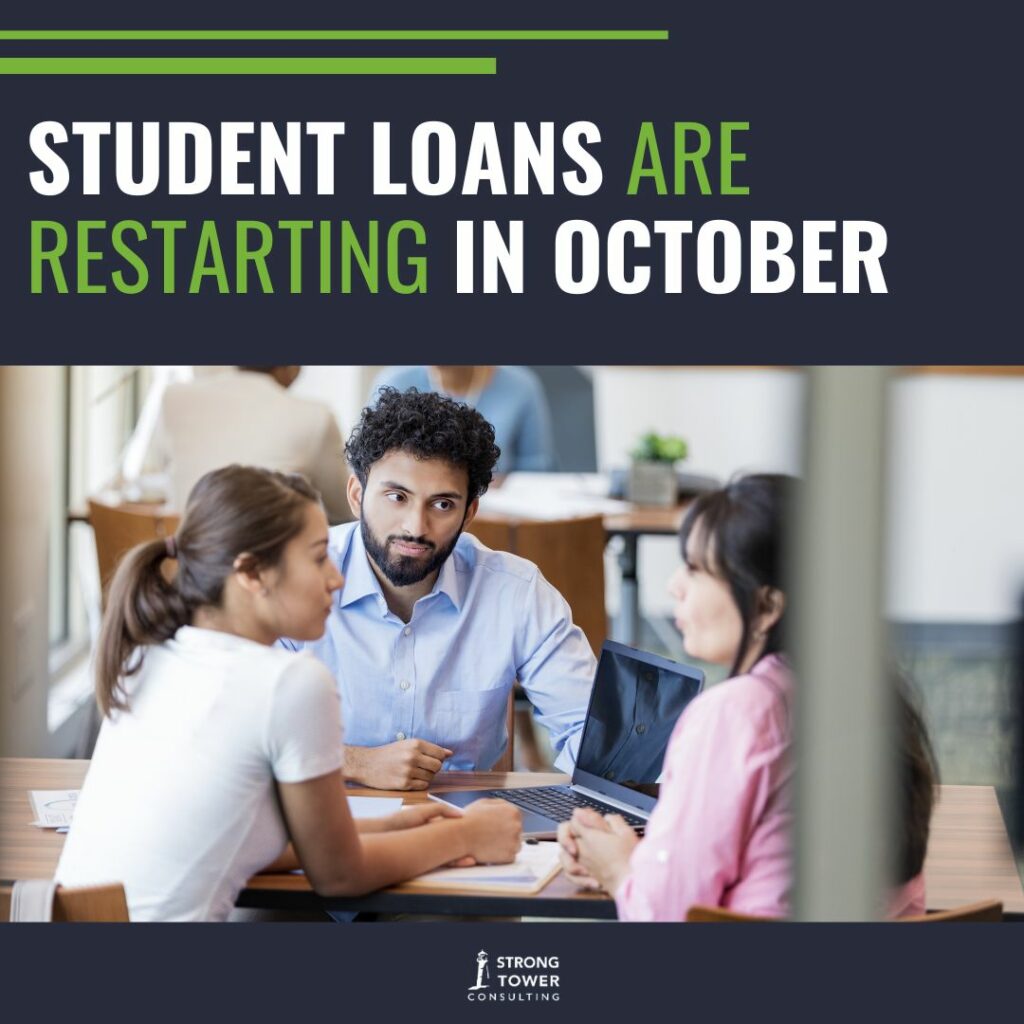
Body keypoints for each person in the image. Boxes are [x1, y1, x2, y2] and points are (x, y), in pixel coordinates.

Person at [55, 465, 521, 922]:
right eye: (319, 557)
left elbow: (231, 839)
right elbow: (339, 877)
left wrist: (385, 826)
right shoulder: (288, 682)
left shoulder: (152, 655)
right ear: (252, 573)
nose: (336, 579)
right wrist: (470, 835)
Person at [557, 473, 936, 920]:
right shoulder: (869, 694)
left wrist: (619, 870)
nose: (674, 586)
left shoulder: (737, 713)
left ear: (768, 607)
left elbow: (666, 916)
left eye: (696, 569)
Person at [282, 387, 594, 790]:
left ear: (469, 513)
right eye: (396, 497)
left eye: (443, 505)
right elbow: (242, 727)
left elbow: (586, 729)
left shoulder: (515, 592)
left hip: (465, 829)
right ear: (357, 493)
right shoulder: (295, 577)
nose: (416, 526)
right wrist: (355, 762)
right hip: (325, 822)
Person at [125, 366, 353, 524]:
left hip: (187, 568)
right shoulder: (315, 416)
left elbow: (167, 471)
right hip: (265, 572)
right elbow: (344, 510)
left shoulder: (174, 397)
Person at [370, 366, 556, 473]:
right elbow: (367, 461)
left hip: (496, 518)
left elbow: (536, 468)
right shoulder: (394, 382)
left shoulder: (521, 386)